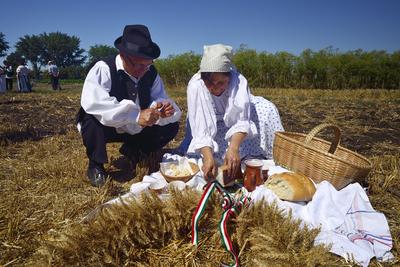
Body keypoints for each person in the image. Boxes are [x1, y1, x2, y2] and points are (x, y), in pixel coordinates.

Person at [76, 24, 182, 187]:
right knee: (90, 118)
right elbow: (95, 103)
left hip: (136, 129)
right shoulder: (104, 68)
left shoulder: (150, 72)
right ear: (123, 55)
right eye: (139, 65)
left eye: (147, 65)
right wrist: (136, 115)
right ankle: (96, 164)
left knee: (171, 126)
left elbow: (159, 97)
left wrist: (162, 109)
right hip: (109, 127)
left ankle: (134, 150)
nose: (143, 70)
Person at [178, 44, 284, 181]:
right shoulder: (196, 85)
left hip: (237, 120)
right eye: (209, 83)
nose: (215, 88)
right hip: (213, 119)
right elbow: (201, 127)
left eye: (221, 83)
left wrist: (233, 148)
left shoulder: (238, 81)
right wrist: (208, 157)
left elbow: (241, 120)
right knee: (209, 160)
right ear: (203, 78)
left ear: (229, 77)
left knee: (268, 108)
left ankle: (252, 156)